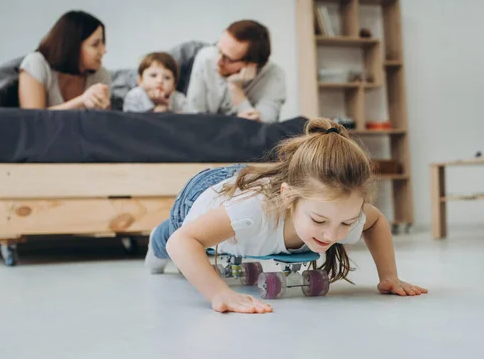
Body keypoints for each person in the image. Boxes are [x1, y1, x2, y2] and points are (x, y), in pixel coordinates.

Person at [144, 118, 428, 314]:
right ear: (289, 196)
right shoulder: (253, 211)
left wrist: (389, 276)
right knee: (170, 236)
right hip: (210, 193)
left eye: (347, 223)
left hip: (269, 183)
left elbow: (375, 221)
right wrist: (220, 294)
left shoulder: (339, 209)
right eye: (319, 221)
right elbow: (182, 242)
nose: (332, 235)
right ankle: (157, 235)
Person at [186, 20, 286, 123]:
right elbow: (193, 118)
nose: (218, 61)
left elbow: (263, 128)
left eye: (227, 58)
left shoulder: (275, 76)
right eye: (219, 49)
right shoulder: (205, 57)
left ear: (251, 64)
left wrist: (236, 88)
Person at [18, 10, 112, 110]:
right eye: (95, 44)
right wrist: (81, 101)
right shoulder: (35, 64)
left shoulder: (101, 76)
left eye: (103, 43)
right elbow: (32, 120)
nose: (103, 51)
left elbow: (104, 123)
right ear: (72, 46)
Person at [123, 52, 188, 113]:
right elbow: (131, 120)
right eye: (153, 75)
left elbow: (190, 117)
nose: (160, 81)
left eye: (167, 78)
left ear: (174, 85)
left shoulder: (178, 98)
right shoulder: (135, 95)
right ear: (140, 81)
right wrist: (158, 110)